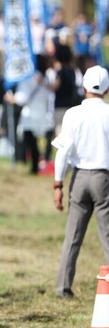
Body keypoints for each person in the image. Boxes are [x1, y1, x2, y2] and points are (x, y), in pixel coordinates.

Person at [52, 65, 109, 298]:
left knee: (73, 236)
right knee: (107, 236)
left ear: (83, 87)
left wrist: (58, 184)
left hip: (79, 177)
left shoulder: (73, 114)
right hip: (104, 178)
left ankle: (63, 287)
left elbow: (63, 152)